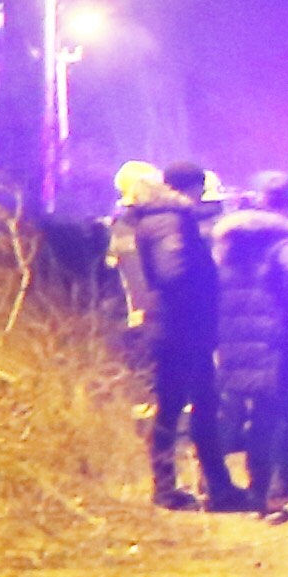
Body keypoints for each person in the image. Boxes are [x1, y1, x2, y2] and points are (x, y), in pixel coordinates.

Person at [112, 160, 232, 511]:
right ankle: (195, 487)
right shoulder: (171, 219)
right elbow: (174, 272)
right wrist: (200, 301)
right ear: (189, 188)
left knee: (185, 406)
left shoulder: (157, 217)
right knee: (193, 406)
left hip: (173, 327)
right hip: (182, 328)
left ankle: (205, 484)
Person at [212, 171, 288, 521]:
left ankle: (258, 490)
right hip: (279, 337)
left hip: (234, 337)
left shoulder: (228, 240)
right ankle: (278, 491)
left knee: (260, 413)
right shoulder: (287, 238)